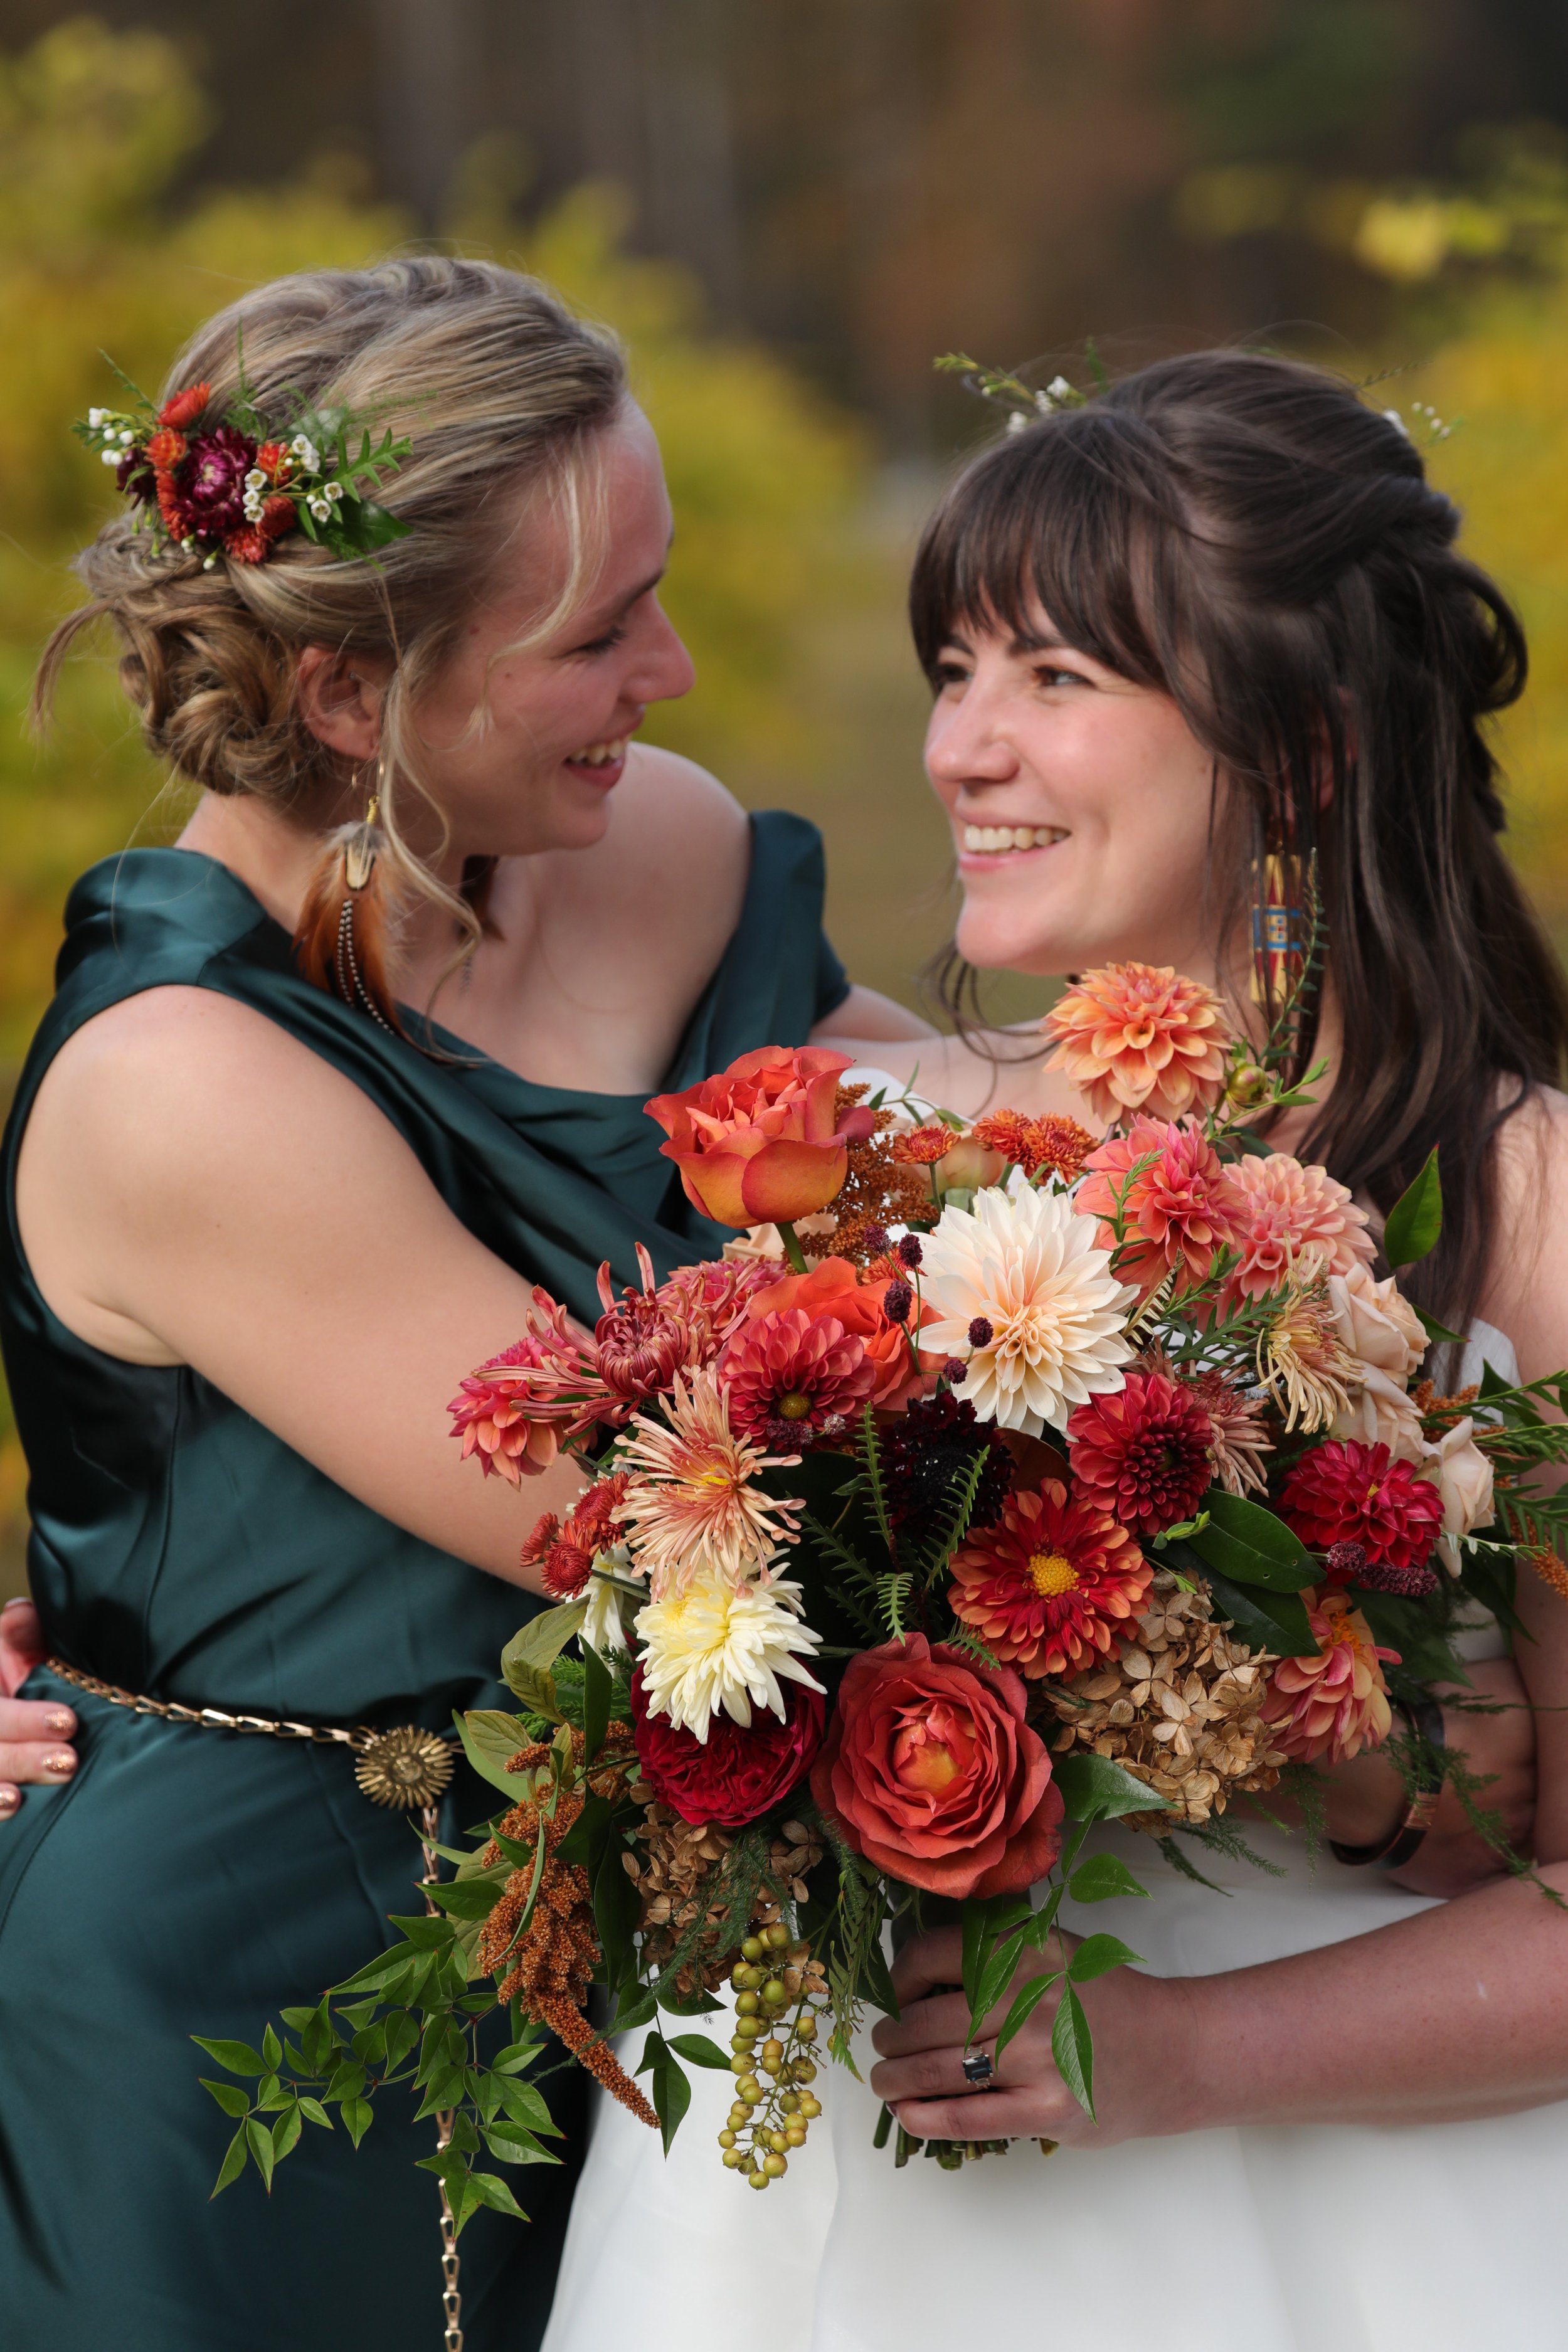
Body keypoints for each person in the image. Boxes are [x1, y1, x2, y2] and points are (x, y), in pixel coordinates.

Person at [541, 351, 1566, 2352]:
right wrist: (114, 1653)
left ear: (1308, 748)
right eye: (948, 671)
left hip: (1306, 2197)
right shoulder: (843, 1143)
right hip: (794, 2178)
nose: (959, 752)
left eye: (1056, 681)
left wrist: (1186, 2052)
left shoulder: (1519, 1196)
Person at [0, 255, 924, 2350]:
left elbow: (963, 1164)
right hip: (250, 2018)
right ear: (349, 695)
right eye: (600, 633)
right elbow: (657, 1533)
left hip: (657, 1962)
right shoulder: (178, 1087)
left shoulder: (652, 855)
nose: (675, 674)